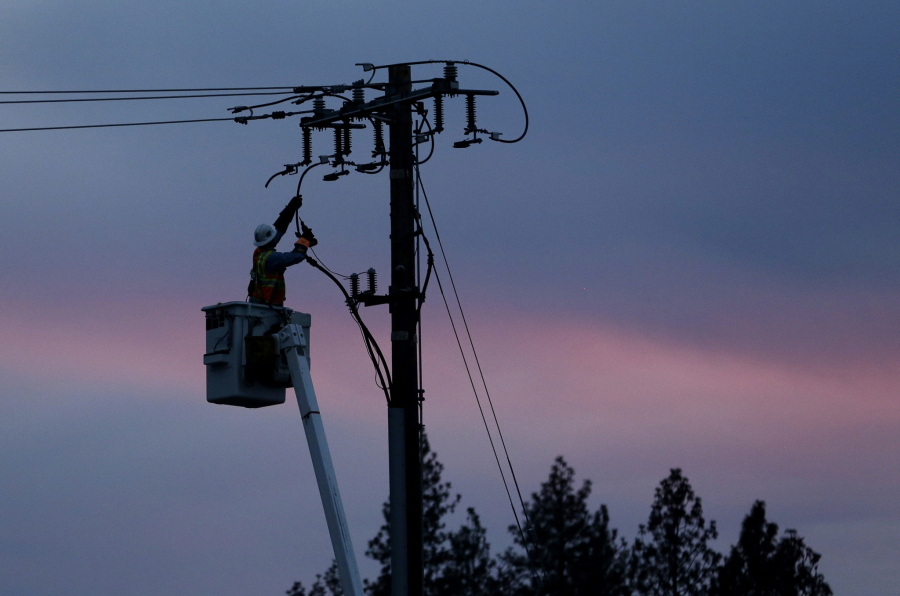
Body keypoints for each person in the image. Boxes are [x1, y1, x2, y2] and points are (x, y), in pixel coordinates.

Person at [248, 195, 317, 306]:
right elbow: (297, 256)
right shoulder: (271, 258)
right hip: (268, 307)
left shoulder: (259, 253)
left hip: (258, 302)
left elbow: (280, 229)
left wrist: (290, 208)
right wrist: (305, 240)